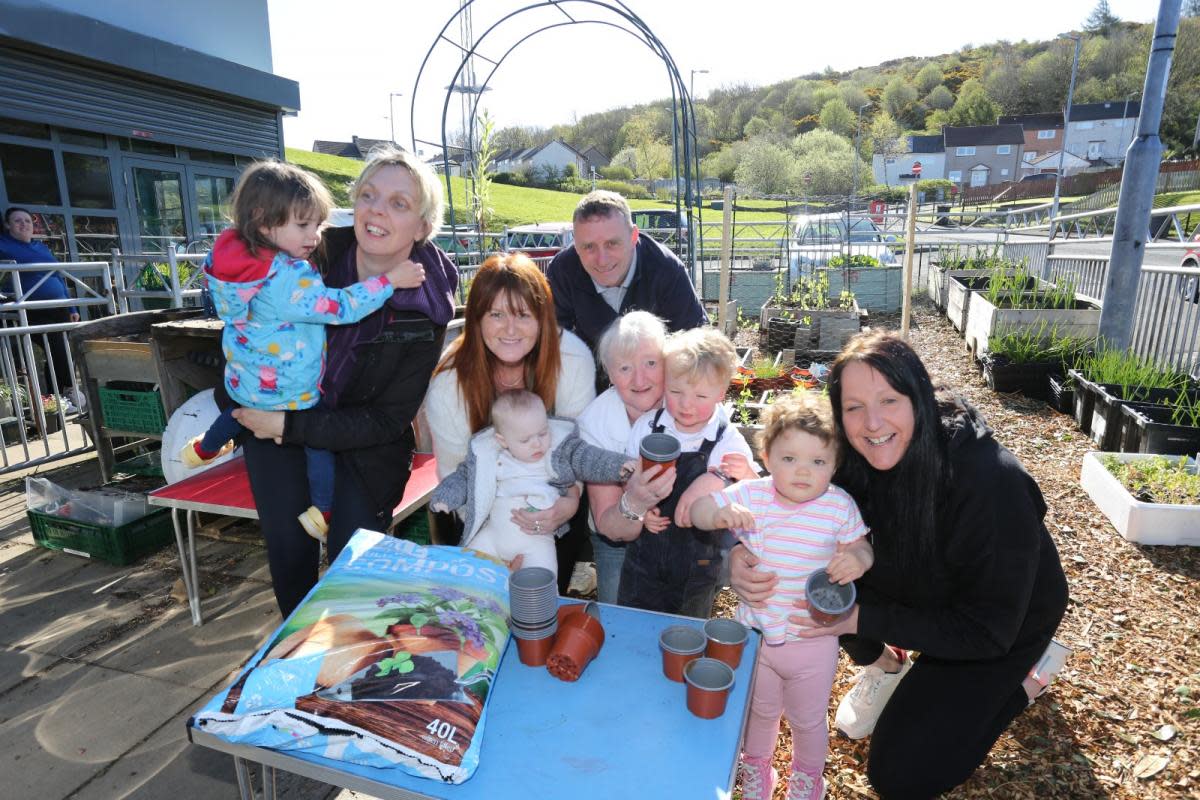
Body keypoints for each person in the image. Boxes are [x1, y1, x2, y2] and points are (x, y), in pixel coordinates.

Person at [728, 331, 1069, 799]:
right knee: (819, 583)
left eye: (889, 400)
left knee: (901, 774)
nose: (872, 423)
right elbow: (781, 512)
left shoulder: (989, 483)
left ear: (919, 398)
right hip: (911, 581)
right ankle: (886, 665)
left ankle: (1023, 682)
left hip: (997, 622)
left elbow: (987, 629)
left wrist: (859, 617)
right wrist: (740, 557)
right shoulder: (849, 454)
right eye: (853, 407)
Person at [232, 147, 457, 617]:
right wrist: (238, 395)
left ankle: (351, 655)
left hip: (364, 445)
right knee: (290, 552)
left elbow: (386, 419)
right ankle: (297, 653)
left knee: (352, 568)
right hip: (278, 413)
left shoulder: (426, 305)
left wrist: (286, 426)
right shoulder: (307, 252)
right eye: (369, 195)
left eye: (399, 203)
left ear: (421, 227)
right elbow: (245, 317)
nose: (376, 210)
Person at [182, 161, 424, 542]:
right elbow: (341, 307)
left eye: (318, 225)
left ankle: (204, 447)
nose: (314, 236)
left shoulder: (238, 264)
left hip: (248, 381)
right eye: (303, 225)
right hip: (289, 389)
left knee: (238, 413)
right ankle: (322, 511)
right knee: (318, 447)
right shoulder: (289, 275)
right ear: (264, 222)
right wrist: (390, 281)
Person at [690, 391, 874, 800]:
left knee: (808, 720)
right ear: (767, 456)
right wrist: (717, 515)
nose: (803, 472)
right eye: (790, 459)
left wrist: (858, 560)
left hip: (812, 638)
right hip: (756, 635)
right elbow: (697, 510)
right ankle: (757, 770)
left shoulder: (838, 506)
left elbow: (861, 545)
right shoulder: (752, 495)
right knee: (760, 711)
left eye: (818, 462)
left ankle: (808, 778)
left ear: (835, 465)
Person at [423, 253, 596, 592]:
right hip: (475, 514)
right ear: (476, 319)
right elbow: (454, 471)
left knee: (539, 601)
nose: (510, 330)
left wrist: (570, 502)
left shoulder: (573, 359)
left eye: (522, 315)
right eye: (496, 315)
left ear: (542, 317)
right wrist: (493, 551)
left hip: (553, 503)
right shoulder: (449, 383)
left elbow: (579, 452)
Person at [597, 326, 757, 618]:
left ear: (721, 393)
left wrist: (743, 474)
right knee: (633, 620)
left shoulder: (726, 439)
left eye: (700, 396)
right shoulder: (648, 426)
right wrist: (643, 512)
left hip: (697, 568)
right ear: (664, 384)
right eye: (676, 391)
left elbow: (758, 491)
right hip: (643, 560)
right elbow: (630, 480)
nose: (686, 404)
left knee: (686, 632)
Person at [430, 390, 635, 575]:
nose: (537, 443)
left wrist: (619, 466)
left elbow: (589, 458)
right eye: (525, 440)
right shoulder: (489, 455)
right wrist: (445, 497)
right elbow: (463, 477)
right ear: (503, 440)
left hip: (536, 540)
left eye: (542, 433)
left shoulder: (558, 450)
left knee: (542, 583)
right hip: (491, 535)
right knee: (468, 571)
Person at [575, 311, 667, 604]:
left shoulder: (685, 402)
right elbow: (607, 523)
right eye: (625, 368)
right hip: (617, 539)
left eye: (651, 363)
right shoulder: (595, 421)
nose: (640, 379)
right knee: (617, 617)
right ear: (609, 372)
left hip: (678, 535)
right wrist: (636, 503)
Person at [546, 190, 707, 357]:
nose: (602, 260)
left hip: (655, 377)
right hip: (587, 377)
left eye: (612, 243)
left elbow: (696, 347)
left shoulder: (667, 271)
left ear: (633, 236)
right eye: (588, 247)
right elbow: (551, 345)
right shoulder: (562, 272)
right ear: (576, 244)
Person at [0, 207, 84, 412]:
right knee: (53, 346)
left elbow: (58, 275)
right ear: (8, 225)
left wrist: (71, 305)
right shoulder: (3, 244)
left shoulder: (41, 247)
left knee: (61, 349)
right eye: (18, 221)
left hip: (57, 307)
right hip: (28, 309)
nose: (23, 224)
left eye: (28, 221)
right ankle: (64, 392)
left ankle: (60, 395)